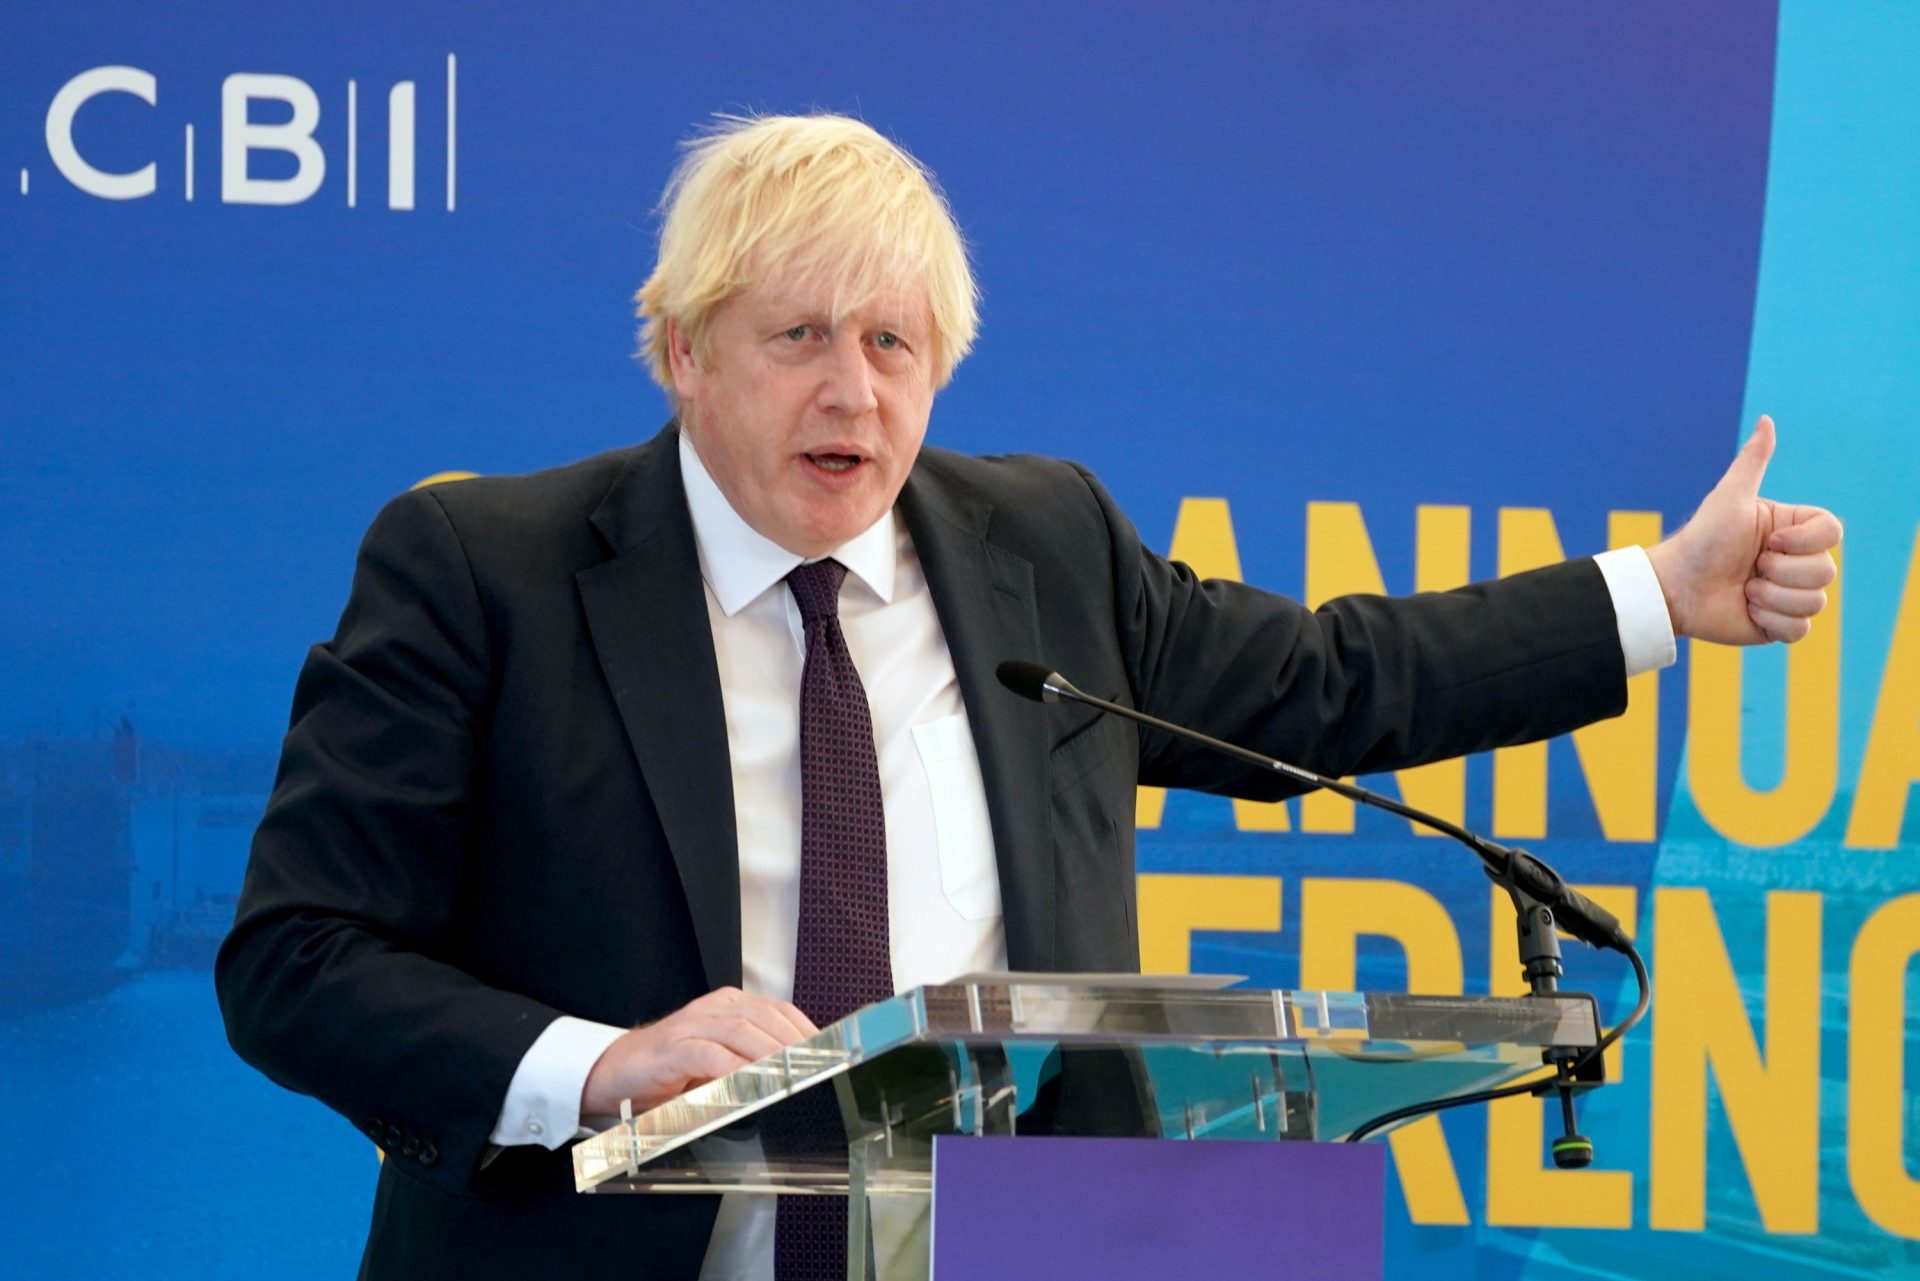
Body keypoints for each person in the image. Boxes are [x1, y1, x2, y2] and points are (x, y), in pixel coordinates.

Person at [215, 114, 1842, 1280]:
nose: (854, 390)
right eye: (797, 336)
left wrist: (1659, 596)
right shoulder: (481, 567)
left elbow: (1329, 685)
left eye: (897, 342)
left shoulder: (1041, 545)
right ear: (679, 349)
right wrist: (603, 1060)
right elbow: (296, 961)